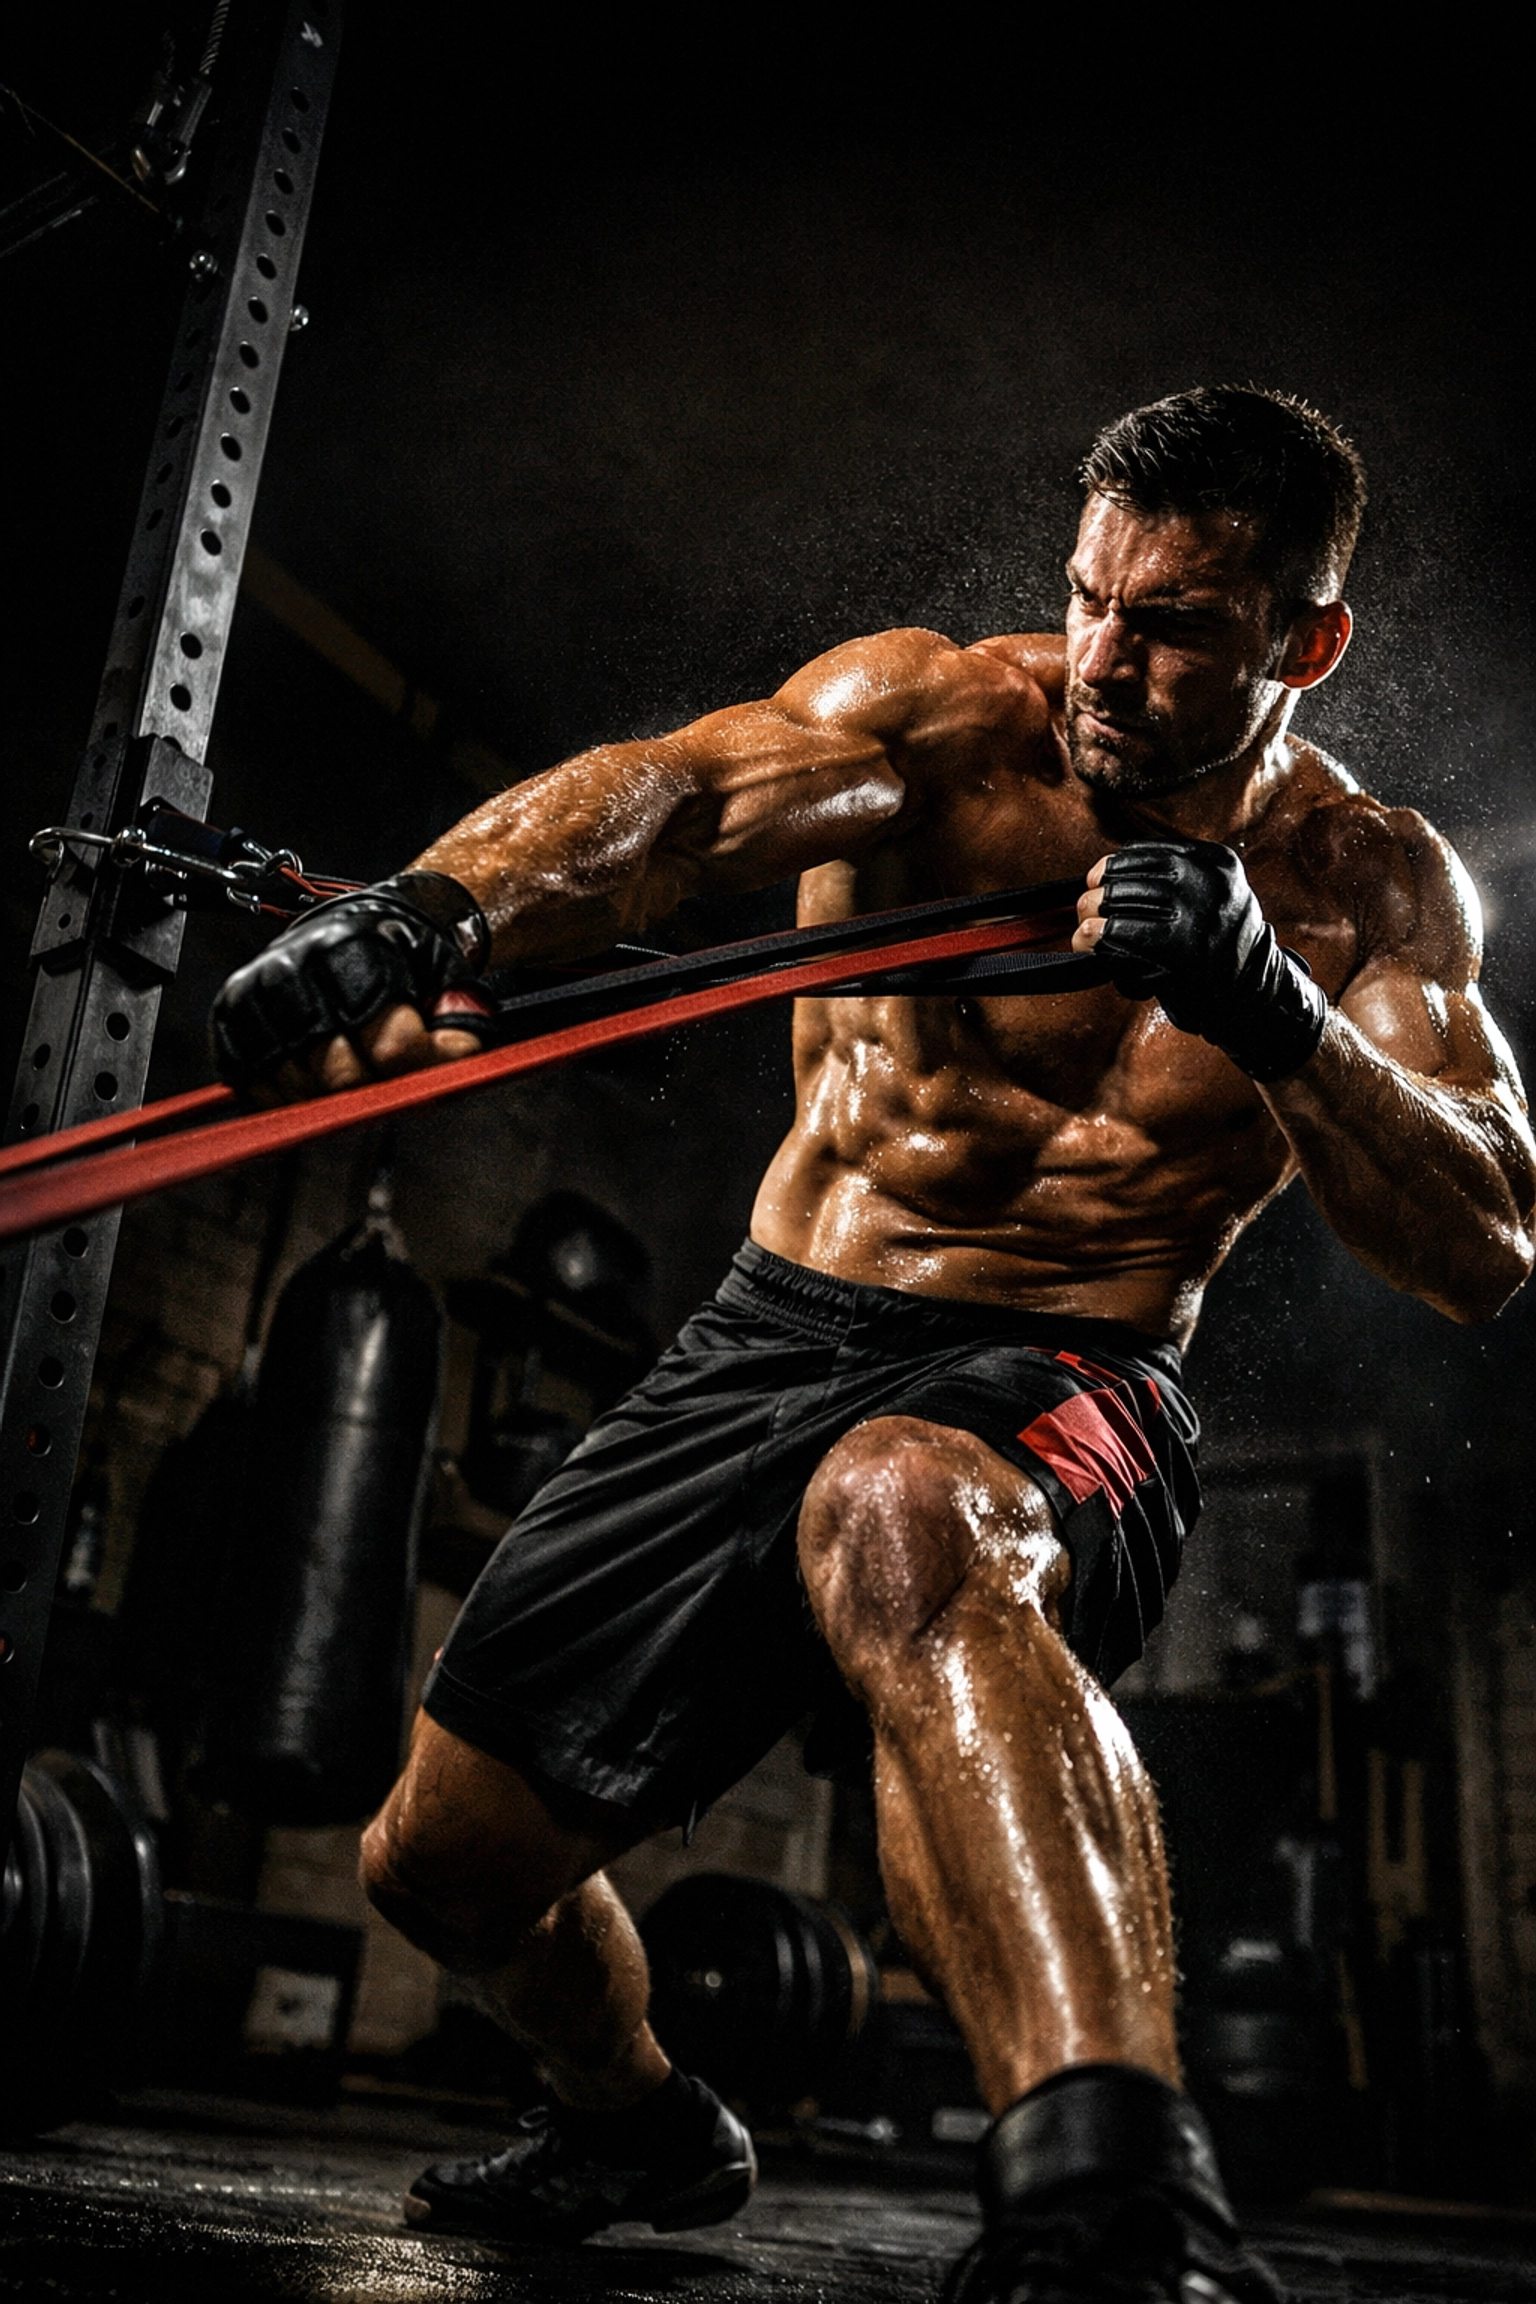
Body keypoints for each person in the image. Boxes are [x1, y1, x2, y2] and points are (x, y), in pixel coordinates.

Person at [211, 386, 1536, 2303]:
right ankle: (633, 2117)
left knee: (903, 1509)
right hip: (777, 1329)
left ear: (1306, 643)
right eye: (1092, 595)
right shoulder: (937, 723)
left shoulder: (1367, 892)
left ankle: (1115, 2202)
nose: (1107, 657)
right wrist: (441, 906)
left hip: (1068, 1377)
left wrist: (1278, 1018)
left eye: (1177, 625)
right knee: (437, 1865)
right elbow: (674, 800)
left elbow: (1485, 1245)